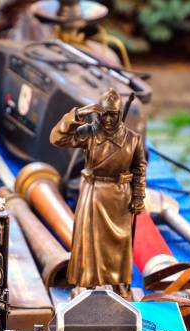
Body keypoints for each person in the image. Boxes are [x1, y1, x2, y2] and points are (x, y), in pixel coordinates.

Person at [50, 88, 146, 298]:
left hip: (119, 196)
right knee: (89, 241)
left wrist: (138, 196)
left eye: (113, 114)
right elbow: (57, 138)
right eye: (104, 113)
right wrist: (77, 115)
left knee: (119, 243)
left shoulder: (133, 139)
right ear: (97, 113)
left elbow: (139, 169)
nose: (108, 119)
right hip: (93, 193)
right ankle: (87, 284)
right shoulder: (90, 132)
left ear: (120, 114)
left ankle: (119, 282)